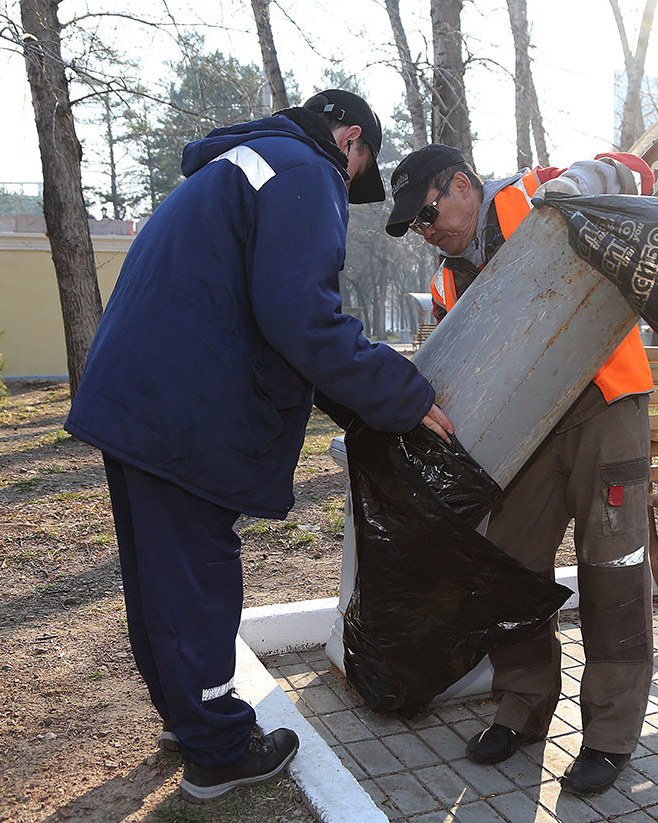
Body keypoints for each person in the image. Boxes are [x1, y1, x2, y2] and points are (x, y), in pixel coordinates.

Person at [65, 90, 453, 804]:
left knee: (161, 579)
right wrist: (406, 397)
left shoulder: (235, 166)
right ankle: (219, 748)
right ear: (350, 138)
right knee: (197, 578)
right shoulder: (306, 170)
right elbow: (301, 316)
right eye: (358, 166)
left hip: (135, 398)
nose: (349, 181)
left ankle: (191, 718)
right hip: (185, 411)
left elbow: (269, 315)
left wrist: (362, 401)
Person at [385, 144, 655, 795]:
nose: (425, 234)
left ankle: (610, 734)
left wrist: (576, 191)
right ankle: (524, 707)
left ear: (460, 185)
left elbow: (636, 169)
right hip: (527, 429)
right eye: (414, 228)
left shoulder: (535, 195)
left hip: (604, 404)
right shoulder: (451, 281)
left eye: (426, 215)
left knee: (613, 569)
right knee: (507, 563)